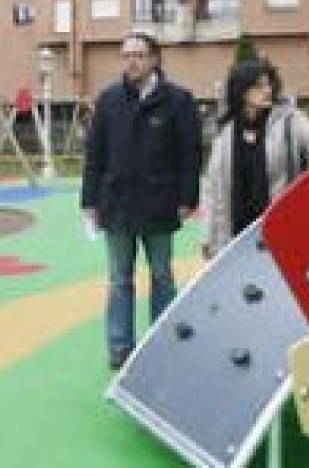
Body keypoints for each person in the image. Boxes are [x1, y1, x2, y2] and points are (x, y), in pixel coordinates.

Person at [81, 32, 201, 370]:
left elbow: (190, 154)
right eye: (126, 55)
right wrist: (89, 200)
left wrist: (187, 197)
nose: (131, 61)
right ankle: (120, 347)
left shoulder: (178, 100)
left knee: (162, 275)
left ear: (154, 60)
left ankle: (163, 344)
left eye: (138, 54)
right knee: (120, 279)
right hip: (116, 205)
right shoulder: (108, 101)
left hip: (160, 205)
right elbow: (95, 155)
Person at [202, 58, 309, 260]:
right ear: (242, 91)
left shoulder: (289, 121)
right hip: (235, 240)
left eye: (269, 83)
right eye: (259, 86)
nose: (267, 90)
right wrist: (208, 237)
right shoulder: (226, 135)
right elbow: (212, 190)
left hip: (279, 235)